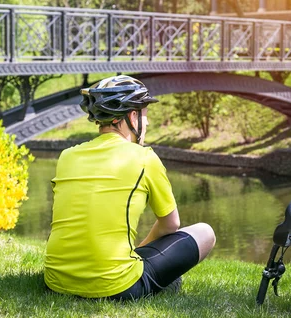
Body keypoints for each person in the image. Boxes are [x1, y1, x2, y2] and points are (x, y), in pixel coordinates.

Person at [44, 75, 216, 300]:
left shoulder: (67, 156)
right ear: (132, 117)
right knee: (205, 232)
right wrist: (139, 252)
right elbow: (170, 224)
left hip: (56, 282)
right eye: (145, 114)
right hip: (117, 288)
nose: (148, 123)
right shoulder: (145, 158)